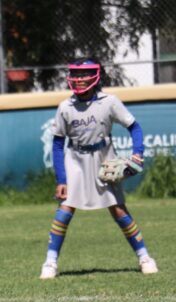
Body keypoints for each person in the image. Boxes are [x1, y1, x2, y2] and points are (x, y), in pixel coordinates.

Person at [40, 58, 158, 279]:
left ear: (95, 77)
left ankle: (144, 257)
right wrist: (61, 179)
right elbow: (57, 145)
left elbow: (134, 127)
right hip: (75, 159)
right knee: (65, 210)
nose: (79, 79)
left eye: (84, 75)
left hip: (104, 158)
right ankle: (50, 262)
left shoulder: (109, 102)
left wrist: (138, 153)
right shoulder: (65, 107)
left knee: (119, 209)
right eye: (75, 75)